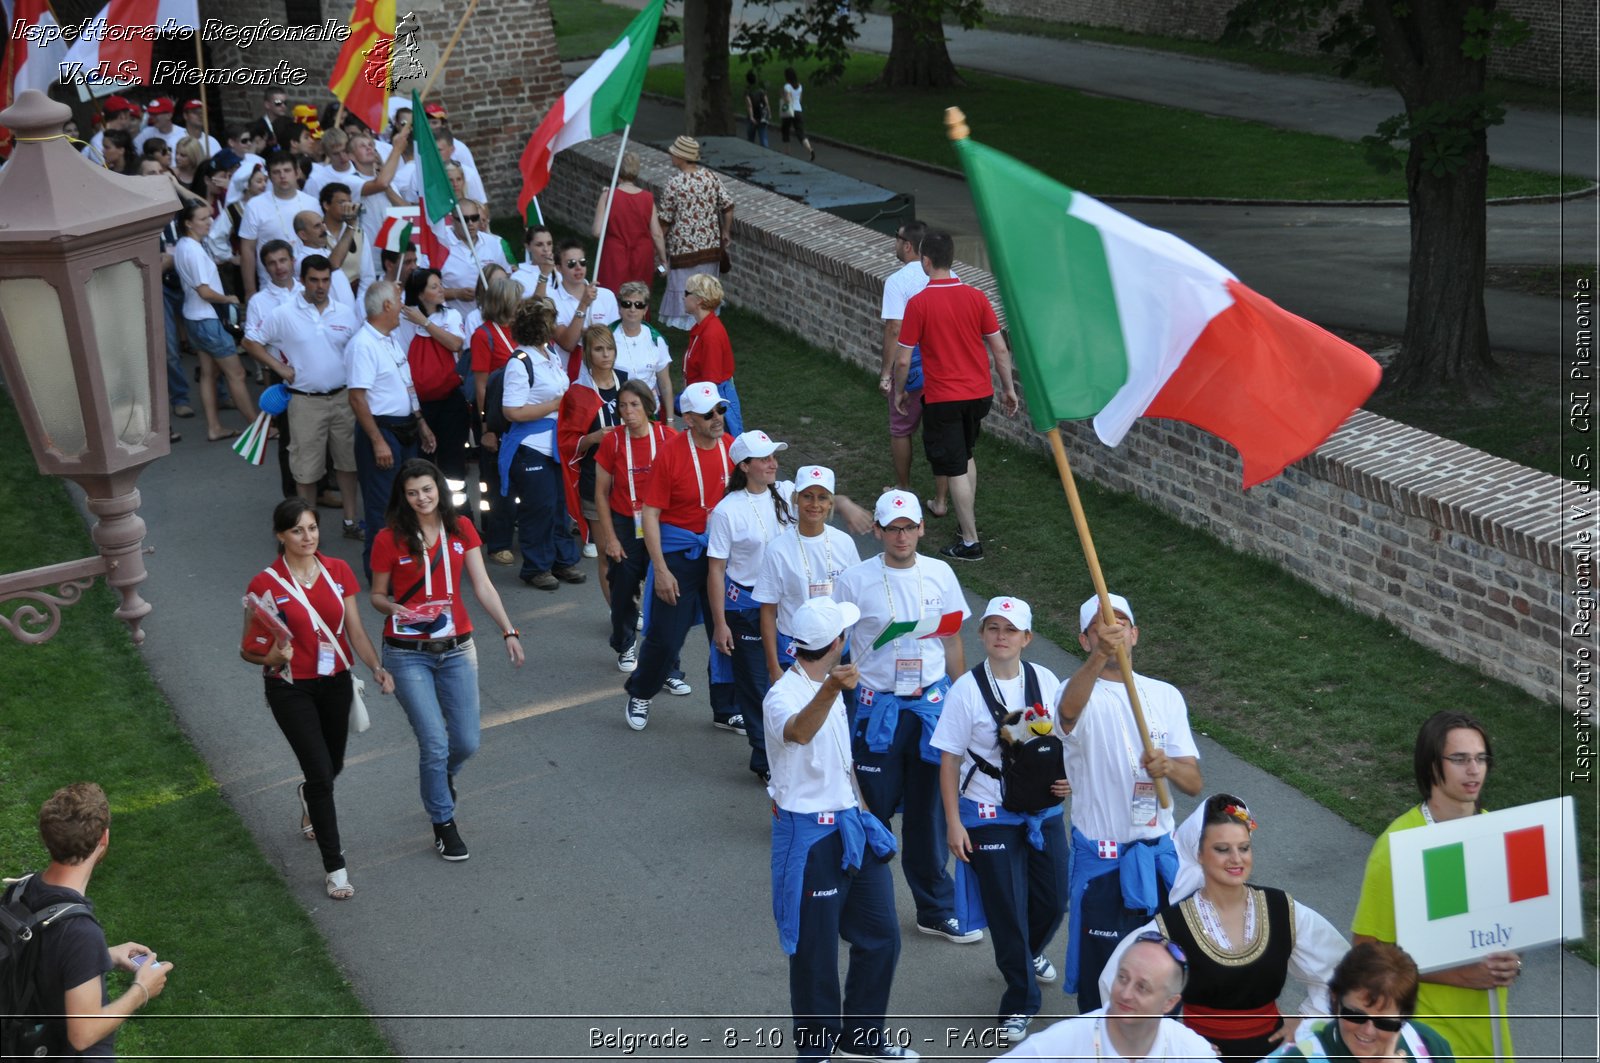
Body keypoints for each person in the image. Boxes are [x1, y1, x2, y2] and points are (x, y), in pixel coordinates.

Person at [764, 598, 916, 1063]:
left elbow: (841, 762)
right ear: (836, 643)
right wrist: (830, 689)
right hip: (808, 840)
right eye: (845, 633)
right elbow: (798, 732)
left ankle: (861, 1038)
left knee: (882, 936)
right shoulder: (782, 695)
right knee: (814, 954)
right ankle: (816, 1053)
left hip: (852, 827)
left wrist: (866, 812)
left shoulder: (836, 686)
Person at [1097, 793, 1348, 1061]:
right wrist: (1170, 1042)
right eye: (1222, 849)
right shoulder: (1171, 927)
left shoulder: (1282, 909)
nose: (1236, 859)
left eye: (1244, 847)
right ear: (1199, 854)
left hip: (1275, 1054)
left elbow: (1341, 969)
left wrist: (1306, 1022)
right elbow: (1116, 989)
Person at [833, 490, 976, 945]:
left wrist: (964, 704)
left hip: (931, 711)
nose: (901, 536)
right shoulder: (854, 580)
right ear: (877, 530)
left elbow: (952, 642)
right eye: (892, 528)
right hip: (877, 713)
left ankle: (935, 909)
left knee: (929, 815)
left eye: (908, 527)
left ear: (921, 529)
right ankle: (861, 903)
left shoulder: (941, 574)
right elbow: (835, 643)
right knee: (870, 810)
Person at [1053, 593, 1203, 1011]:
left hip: (1159, 863)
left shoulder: (1165, 695)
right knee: (1102, 985)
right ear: (1085, 640)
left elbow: (1193, 781)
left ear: (1135, 634)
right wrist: (1100, 657)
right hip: (1103, 865)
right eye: (1101, 626)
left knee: (1164, 981)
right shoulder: (1078, 690)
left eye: (1120, 624)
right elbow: (1066, 715)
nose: (1113, 631)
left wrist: (1167, 766)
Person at [369, 458, 524, 862]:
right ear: (403, 498)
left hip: (457, 650)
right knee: (434, 744)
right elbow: (377, 596)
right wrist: (396, 610)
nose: (421, 498)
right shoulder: (389, 539)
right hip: (406, 655)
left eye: (427, 489)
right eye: (412, 492)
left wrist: (509, 630)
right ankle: (444, 824)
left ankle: (442, 779)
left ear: (440, 489)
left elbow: (484, 585)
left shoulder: (462, 529)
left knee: (467, 742)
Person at [932, 596, 1070, 1047]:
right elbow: (949, 760)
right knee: (1008, 907)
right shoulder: (966, 690)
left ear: (1027, 638)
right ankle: (1018, 1001)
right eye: (993, 627)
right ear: (983, 635)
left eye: (1011, 629)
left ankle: (1024, 953)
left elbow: (1065, 740)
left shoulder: (1045, 680)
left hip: (1042, 811)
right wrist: (954, 823)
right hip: (987, 813)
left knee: (1054, 898)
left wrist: (1071, 779)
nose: (1001, 636)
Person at [240, 498, 390, 899]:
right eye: (297, 530)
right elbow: (249, 648)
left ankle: (308, 795)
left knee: (332, 764)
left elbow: (354, 629)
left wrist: (375, 667)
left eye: (312, 528)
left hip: (336, 680)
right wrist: (272, 655)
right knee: (322, 774)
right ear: (280, 535)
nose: (307, 537)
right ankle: (335, 867)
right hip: (290, 686)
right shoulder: (265, 584)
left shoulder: (338, 571)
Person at [1350, 711, 1518, 1060]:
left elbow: (1512, 929)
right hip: (1424, 1040)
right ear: (1430, 765)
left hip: (1490, 1040)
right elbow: (1366, 955)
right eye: (1459, 759)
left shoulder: (1498, 833)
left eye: (1480, 758)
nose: (1474, 769)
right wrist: (1461, 975)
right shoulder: (1395, 847)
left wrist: (1514, 963)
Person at [12, 783, 172, 1058]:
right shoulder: (80, 932)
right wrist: (141, 990)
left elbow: (37, 962)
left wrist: (104, 957)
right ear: (104, 839)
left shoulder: (20, 891)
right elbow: (82, 1033)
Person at [623, 381, 742, 733]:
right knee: (666, 636)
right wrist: (659, 569)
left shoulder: (731, 448)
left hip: (720, 555)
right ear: (689, 419)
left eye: (720, 410)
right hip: (681, 554)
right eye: (709, 414)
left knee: (726, 633)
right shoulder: (672, 454)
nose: (718, 418)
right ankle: (641, 691)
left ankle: (726, 708)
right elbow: (651, 514)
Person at [896, 230, 1018, 562]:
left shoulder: (919, 303)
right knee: (964, 454)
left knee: (954, 466)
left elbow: (904, 358)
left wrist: (899, 391)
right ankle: (967, 525)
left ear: (926, 261)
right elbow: (1000, 350)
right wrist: (1007, 389)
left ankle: (970, 542)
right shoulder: (978, 297)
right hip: (979, 394)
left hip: (944, 397)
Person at [243, 256, 364, 539]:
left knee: (348, 464)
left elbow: (358, 350)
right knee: (306, 470)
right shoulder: (284, 314)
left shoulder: (345, 313)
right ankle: (308, 530)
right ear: (302, 279)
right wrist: (279, 368)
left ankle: (350, 521)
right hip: (305, 402)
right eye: (314, 280)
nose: (320, 286)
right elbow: (250, 341)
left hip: (343, 399)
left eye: (325, 280)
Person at [707, 430, 794, 782]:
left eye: (774, 455)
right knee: (759, 686)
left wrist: (847, 506)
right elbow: (716, 570)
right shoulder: (726, 511)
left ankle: (786, 751)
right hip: (745, 609)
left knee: (791, 682)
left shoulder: (786, 493)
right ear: (744, 466)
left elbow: (823, 500)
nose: (773, 462)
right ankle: (766, 760)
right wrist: (719, 624)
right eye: (764, 458)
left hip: (788, 606)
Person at [993, 933, 1215, 1063]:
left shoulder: (1191, 1053)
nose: (1125, 994)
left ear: (1170, 1002)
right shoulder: (1059, 1045)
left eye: (1142, 987)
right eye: (1122, 977)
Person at [347, 280, 439, 579]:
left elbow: (406, 386)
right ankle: (379, 578)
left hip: (406, 428)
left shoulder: (390, 338)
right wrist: (377, 441)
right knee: (382, 507)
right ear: (387, 305)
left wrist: (422, 422)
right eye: (399, 300)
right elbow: (357, 397)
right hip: (382, 432)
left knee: (409, 502)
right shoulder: (362, 344)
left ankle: (406, 567)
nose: (403, 305)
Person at [498, 297, 586, 591]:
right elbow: (512, 411)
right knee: (540, 507)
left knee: (560, 506)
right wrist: (557, 403)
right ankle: (537, 566)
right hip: (532, 445)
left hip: (556, 444)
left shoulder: (549, 355)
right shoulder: (520, 362)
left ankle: (562, 560)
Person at [753, 465, 862, 692]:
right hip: (793, 649)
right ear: (796, 499)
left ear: (831, 503)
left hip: (835, 649)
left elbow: (857, 598)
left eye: (822, 498)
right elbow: (768, 610)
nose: (814, 505)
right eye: (807, 497)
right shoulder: (778, 549)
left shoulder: (844, 544)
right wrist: (773, 666)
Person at [593, 380, 678, 671]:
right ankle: (625, 643)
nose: (628, 412)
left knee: (664, 592)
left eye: (634, 405)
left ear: (647, 406)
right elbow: (601, 493)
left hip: (660, 523)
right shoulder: (612, 440)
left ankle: (668, 663)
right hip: (625, 522)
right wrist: (610, 538)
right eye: (623, 406)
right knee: (623, 587)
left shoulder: (667, 437)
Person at [1265, 942, 1457, 1062]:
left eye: (1385, 1022)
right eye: (1355, 1015)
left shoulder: (1430, 1045)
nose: (1368, 1030)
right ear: (1335, 999)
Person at [172, 201, 258, 441]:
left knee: (209, 374)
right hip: (207, 320)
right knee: (237, 374)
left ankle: (214, 427)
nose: (209, 222)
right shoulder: (194, 250)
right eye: (202, 219)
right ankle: (258, 428)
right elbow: (204, 291)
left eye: (209, 217)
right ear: (188, 223)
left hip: (194, 318)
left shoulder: (183, 246)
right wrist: (228, 298)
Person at [879, 221, 947, 517]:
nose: (894, 243)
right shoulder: (949, 275)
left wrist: (886, 373)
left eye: (896, 238)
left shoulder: (897, 282)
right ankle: (942, 500)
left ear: (908, 245)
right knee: (941, 432)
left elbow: (895, 328)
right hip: (944, 366)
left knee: (901, 428)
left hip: (913, 365)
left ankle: (904, 488)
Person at [395, 268, 470, 503]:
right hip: (419, 403)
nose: (441, 290)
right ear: (420, 294)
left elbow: (456, 344)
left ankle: (458, 515)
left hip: (450, 400)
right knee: (421, 463)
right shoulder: (404, 318)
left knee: (453, 462)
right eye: (434, 286)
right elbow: (403, 361)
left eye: (441, 285)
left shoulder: (452, 316)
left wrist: (425, 323)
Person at [558, 325, 629, 570]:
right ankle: (615, 609)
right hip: (595, 478)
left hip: (629, 479)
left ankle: (632, 606)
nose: (606, 354)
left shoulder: (626, 380)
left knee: (634, 551)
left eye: (610, 348)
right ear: (588, 353)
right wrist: (593, 437)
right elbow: (566, 442)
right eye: (599, 349)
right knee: (607, 554)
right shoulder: (577, 393)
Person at [469, 274, 525, 566]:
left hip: (523, 418)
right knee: (497, 480)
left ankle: (519, 533)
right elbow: (481, 386)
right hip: (498, 420)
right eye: (517, 299)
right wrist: (486, 427)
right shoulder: (484, 335)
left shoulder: (520, 330)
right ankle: (497, 540)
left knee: (520, 478)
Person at [657, 135, 733, 330]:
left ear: (682, 156)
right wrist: (725, 231)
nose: (670, 154)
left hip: (683, 253)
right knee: (705, 293)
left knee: (686, 293)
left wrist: (658, 248)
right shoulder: (710, 177)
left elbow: (664, 222)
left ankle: (693, 334)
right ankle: (706, 329)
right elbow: (728, 205)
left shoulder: (674, 184)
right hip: (710, 250)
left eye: (674, 152)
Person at [238, 150, 320, 300]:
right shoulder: (255, 205)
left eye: (287, 170)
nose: (282, 176)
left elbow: (320, 243)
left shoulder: (312, 203)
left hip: (308, 286)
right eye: (276, 172)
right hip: (270, 288)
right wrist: (249, 290)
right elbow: (247, 250)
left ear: (297, 172)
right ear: (269, 176)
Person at [592, 151, 666, 296]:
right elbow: (657, 234)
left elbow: (597, 232)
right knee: (639, 297)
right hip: (642, 254)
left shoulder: (607, 196)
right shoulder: (647, 198)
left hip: (615, 253)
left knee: (612, 295)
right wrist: (663, 259)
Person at [681, 272, 742, 436]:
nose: (683, 297)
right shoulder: (703, 328)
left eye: (687, 293)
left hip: (713, 401)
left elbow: (710, 384)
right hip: (704, 398)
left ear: (699, 300)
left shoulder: (710, 335)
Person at [610, 281, 674, 415]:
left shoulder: (657, 340)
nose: (632, 309)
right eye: (627, 304)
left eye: (638, 305)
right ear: (619, 308)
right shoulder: (608, 336)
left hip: (648, 411)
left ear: (645, 310)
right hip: (616, 409)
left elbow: (665, 383)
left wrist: (670, 420)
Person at [780, 67, 815, 160]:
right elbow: (800, 99)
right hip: (798, 110)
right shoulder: (800, 86)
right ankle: (810, 149)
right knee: (800, 132)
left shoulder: (787, 86)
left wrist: (783, 96)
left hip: (789, 111)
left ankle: (787, 152)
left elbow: (787, 99)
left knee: (785, 130)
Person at [744, 69, 772, 148]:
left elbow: (749, 105)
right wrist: (769, 113)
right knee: (763, 137)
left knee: (750, 138)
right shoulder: (761, 91)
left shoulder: (747, 91)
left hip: (753, 117)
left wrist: (751, 117)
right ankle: (766, 153)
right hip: (762, 116)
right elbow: (766, 103)